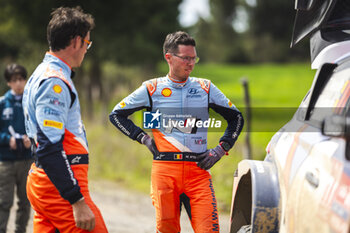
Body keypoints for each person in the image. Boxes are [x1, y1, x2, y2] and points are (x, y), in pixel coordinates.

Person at [109, 31, 244, 232]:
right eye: (186, 58)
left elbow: (237, 118)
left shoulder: (205, 87)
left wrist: (220, 149)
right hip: (165, 172)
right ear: (169, 58)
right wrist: (143, 138)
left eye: (194, 58)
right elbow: (116, 115)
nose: (191, 63)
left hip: (198, 172)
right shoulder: (152, 88)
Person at [22, 7, 108, 233]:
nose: (86, 50)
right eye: (88, 44)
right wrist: (76, 200)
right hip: (58, 186)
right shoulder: (55, 82)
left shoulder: (40, 73)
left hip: (46, 181)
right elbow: (49, 147)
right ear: (76, 41)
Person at [0, 64, 33, 233]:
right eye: (14, 80)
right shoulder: (2, 103)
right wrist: (8, 140)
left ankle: (20, 230)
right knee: (4, 202)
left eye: (21, 79)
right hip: (6, 161)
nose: (19, 83)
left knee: (26, 201)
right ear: (8, 83)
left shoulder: (32, 102)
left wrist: (31, 140)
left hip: (27, 160)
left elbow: (41, 128)